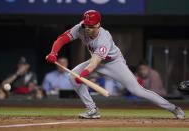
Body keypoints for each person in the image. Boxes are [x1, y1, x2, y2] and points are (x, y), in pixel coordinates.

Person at [46, 10, 185, 119]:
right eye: (86, 25)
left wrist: (83, 74)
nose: (87, 28)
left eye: (91, 26)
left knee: (137, 90)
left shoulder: (104, 38)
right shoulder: (81, 27)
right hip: (96, 61)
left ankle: (173, 108)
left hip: (113, 62)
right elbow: (62, 38)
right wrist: (53, 52)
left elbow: (94, 63)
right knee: (72, 77)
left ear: (99, 24)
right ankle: (92, 109)